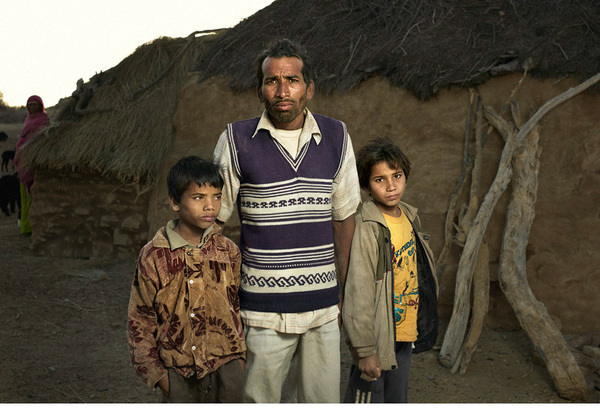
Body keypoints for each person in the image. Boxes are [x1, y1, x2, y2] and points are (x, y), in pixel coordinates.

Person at [213, 38, 361, 403]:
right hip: (261, 312)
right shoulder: (235, 140)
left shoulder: (337, 137)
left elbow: (344, 219)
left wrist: (341, 293)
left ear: (308, 88)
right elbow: (212, 222)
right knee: (256, 403)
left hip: (323, 308)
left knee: (321, 403)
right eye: (272, 81)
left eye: (292, 80)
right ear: (259, 90)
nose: (282, 90)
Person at [126, 156, 246, 403]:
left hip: (228, 374)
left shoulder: (229, 251)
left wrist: (240, 363)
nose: (210, 206)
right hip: (177, 377)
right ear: (174, 202)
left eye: (217, 196)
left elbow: (238, 308)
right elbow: (140, 319)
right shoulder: (154, 256)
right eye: (198, 197)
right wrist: (160, 377)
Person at [342, 137, 439, 403]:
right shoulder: (368, 225)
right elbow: (358, 290)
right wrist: (364, 350)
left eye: (396, 175)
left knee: (397, 399)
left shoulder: (409, 216)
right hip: (378, 334)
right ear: (366, 186)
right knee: (367, 398)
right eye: (379, 179)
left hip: (405, 330)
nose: (391, 186)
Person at [13, 95, 49, 235]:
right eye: (31, 104)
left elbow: (41, 137)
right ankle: (26, 227)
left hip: (34, 158)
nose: (33, 107)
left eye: (35, 104)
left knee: (34, 195)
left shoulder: (44, 119)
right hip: (24, 160)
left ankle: (35, 227)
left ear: (40, 106)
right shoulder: (28, 119)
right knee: (24, 198)